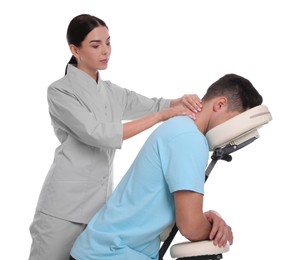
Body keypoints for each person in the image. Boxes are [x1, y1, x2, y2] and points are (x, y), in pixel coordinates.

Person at [28, 14, 203, 260]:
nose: (106, 51)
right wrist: (162, 115)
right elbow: (97, 133)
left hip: (99, 208)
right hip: (62, 208)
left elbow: (152, 105)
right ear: (74, 49)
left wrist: (178, 101)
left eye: (108, 43)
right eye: (96, 45)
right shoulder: (60, 91)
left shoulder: (110, 91)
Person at [69, 73, 263, 260]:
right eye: (235, 120)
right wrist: (218, 230)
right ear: (220, 104)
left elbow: (165, 208)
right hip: (110, 254)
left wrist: (210, 218)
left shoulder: (181, 129)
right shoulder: (190, 139)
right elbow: (190, 226)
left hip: (106, 250)